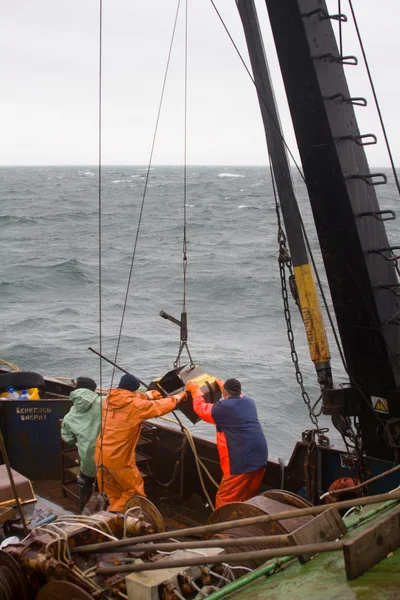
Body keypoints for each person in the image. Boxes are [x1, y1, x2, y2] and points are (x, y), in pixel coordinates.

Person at [94, 373, 186, 512]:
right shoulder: (135, 406)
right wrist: (178, 397)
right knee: (135, 494)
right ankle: (110, 517)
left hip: (100, 456)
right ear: (133, 390)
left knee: (114, 494)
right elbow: (158, 407)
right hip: (119, 460)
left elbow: (128, 399)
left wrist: (148, 395)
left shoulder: (109, 399)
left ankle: (115, 522)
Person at [186, 377, 268, 508]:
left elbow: (201, 409)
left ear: (225, 393)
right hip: (260, 459)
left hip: (240, 463)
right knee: (249, 497)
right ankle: (245, 525)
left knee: (225, 499)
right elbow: (236, 399)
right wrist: (223, 386)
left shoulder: (222, 409)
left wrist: (195, 390)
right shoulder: (249, 402)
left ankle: (223, 528)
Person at [61, 376, 101, 511]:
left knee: (85, 484)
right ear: (93, 390)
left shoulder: (69, 415)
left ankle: (85, 514)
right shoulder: (104, 402)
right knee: (107, 486)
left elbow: (68, 438)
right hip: (107, 457)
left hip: (87, 458)